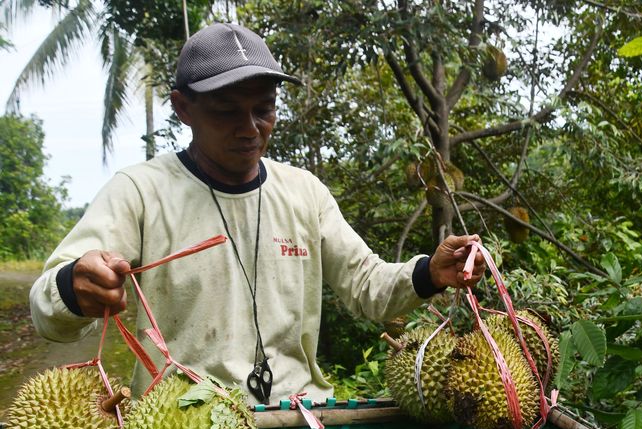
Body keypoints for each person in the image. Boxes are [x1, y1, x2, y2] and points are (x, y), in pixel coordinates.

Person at [29, 22, 485, 405]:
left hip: (300, 421)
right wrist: (73, 287)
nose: (250, 128)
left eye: (263, 110)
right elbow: (48, 312)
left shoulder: (303, 192)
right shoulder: (141, 193)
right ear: (183, 108)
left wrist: (430, 273)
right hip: (181, 424)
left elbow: (368, 287)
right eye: (227, 111)